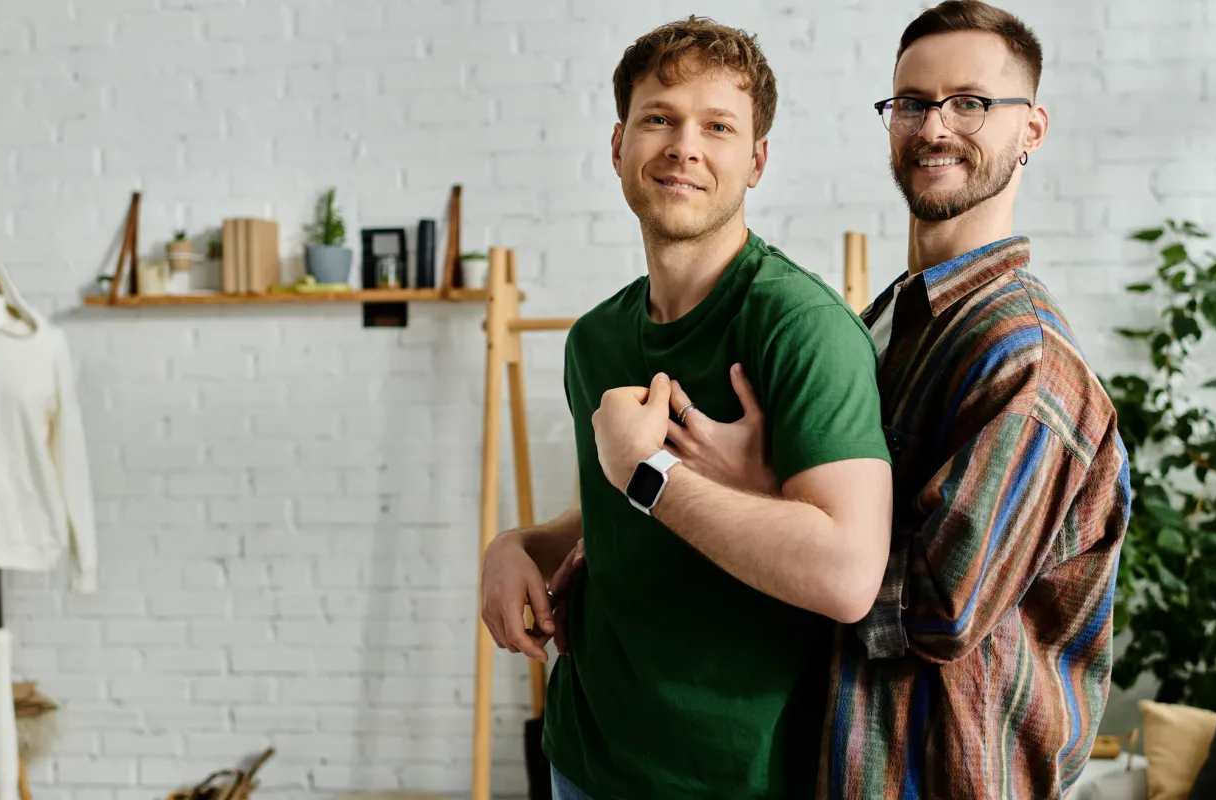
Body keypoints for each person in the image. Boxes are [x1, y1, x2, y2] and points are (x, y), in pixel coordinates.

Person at [671, 2, 1131, 797]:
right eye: (912, 103)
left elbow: (936, 610)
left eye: (971, 104)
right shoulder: (885, 320)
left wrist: (758, 491)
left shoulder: (1028, 363)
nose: (934, 127)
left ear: (1032, 129)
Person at [476, 16, 894, 800]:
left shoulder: (801, 328)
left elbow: (846, 573)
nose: (683, 146)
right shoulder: (596, 338)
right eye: (658, 118)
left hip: (735, 776)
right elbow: (615, 510)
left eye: (718, 126)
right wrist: (517, 544)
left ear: (757, 160)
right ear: (618, 145)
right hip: (586, 753)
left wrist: (648, 472)